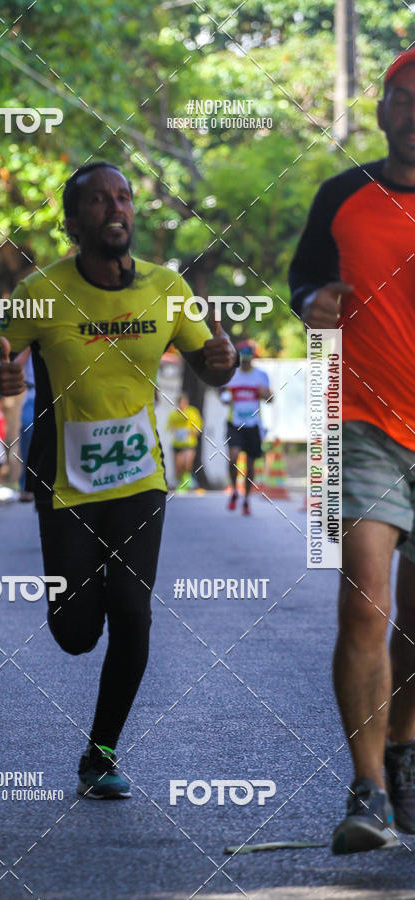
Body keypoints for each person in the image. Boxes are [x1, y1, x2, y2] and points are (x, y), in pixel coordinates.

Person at [0, 161, 239, 799]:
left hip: (141, 478)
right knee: (74, 632)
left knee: (133, 613)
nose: (115, 208)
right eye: (98, 200)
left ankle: (101, 753)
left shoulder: (167, 287)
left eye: (122, 197)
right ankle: (75, 620)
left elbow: (211, 361)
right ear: (73, 222)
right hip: (64, 481)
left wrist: (221, 361)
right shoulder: (42, 290)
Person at [289, 49, 415, 853]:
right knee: (365, 601)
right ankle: (367, 788)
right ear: (379, 109)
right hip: (364, 423)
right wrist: (313, 301)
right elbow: (300, 282)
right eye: (400, 98)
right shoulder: (343, 195)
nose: (411, 111)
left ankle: (401, 748)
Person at [219, 341, 272, 515]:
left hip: (253, 425)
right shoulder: (232, 375)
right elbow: (221, 393)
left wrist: (266, 394)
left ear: (253, 359)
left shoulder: (261, 375)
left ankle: (246, 498)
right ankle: (234, 490)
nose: (246, 363)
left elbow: (271, 398)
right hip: (234, 423)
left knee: (250, 464)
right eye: (243, 360)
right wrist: (225, 396)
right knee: (233, 456)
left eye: (249, 360)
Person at [166, 394, 203, 491]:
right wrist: (175, 429)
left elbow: (198, 428)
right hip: (177, 444)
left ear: (186, 403)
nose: (181, 405)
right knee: (178, 466)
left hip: (189, 443)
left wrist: (190, 431)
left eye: (183, 403)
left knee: (187, 463)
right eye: (179, 403)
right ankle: (181, 482)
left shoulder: (192, 412)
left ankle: (188, 481)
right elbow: (169, 427)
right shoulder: (174, 414)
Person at [17, 348, 36, 502]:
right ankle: (26, 485)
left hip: (57, 392)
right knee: (28, 434)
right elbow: (17, 364)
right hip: (32, 394)